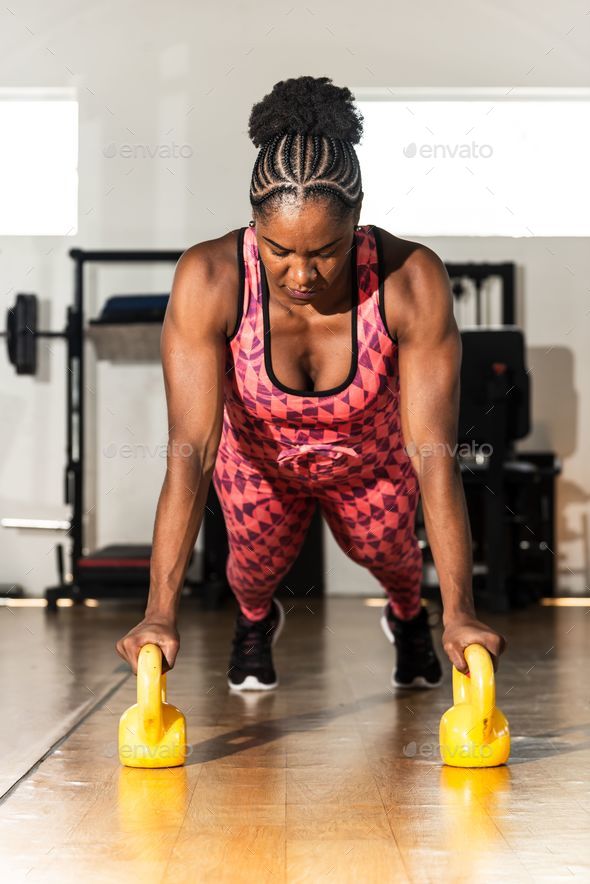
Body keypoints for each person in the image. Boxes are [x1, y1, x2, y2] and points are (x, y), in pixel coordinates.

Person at [116, 75, 506, 691]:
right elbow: (191, 448)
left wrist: (460, 612)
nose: (301, 274)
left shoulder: (411, 279)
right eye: (277, 250)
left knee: (392, 555)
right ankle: (253, 622)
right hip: (259, 462)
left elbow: (433, 452)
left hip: (371, 462)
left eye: (325, 251)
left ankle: (410, 617)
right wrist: (158, 611)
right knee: (251, 569)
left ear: (357, 224)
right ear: (253, 224)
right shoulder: (210, 277)